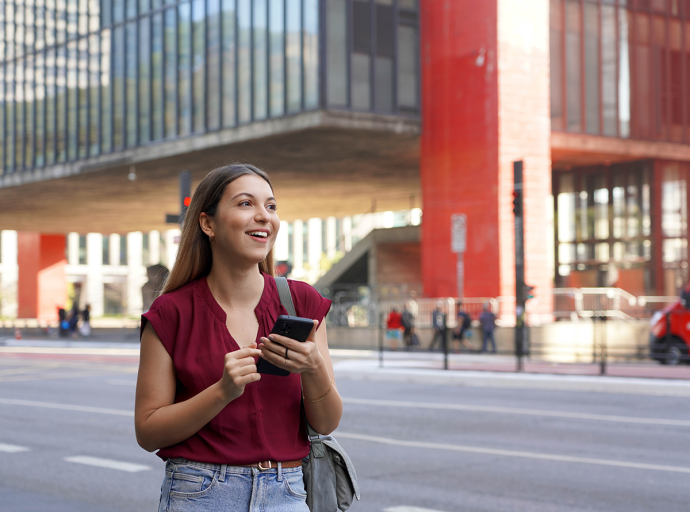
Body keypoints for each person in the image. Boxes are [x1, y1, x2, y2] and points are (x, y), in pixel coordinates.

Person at [134, 165, 342, 512]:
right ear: (208, 224)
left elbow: (326, 422)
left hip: (287, 493)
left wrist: (314, 367)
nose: (264, 217)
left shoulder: (302, 302)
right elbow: (148, 431)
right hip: (199, 493)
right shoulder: (171, 312)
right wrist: (222, 391)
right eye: (246, 204)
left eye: (271, 206)